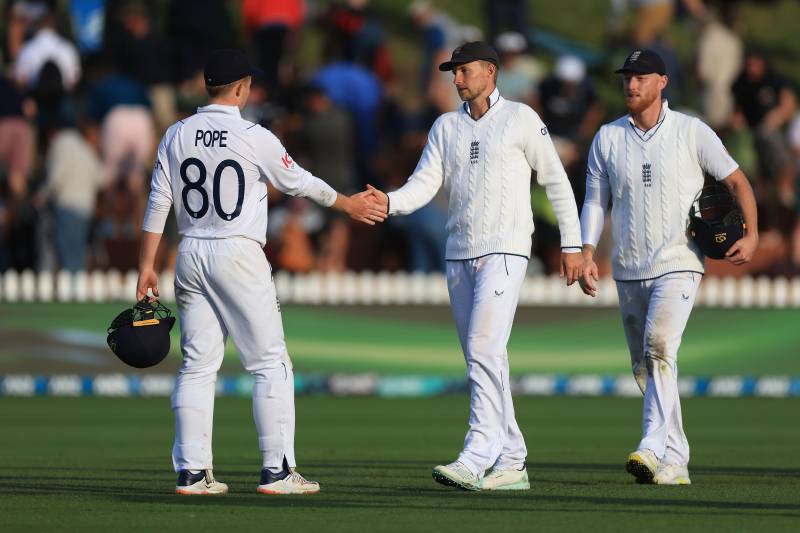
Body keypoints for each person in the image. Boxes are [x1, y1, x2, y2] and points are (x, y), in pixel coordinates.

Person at [135, 49, 386, 496]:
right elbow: (299, 181)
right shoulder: (254, 135)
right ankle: (277, 470)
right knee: (271, 363)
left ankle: (192, 473)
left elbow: (159, 201)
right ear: (242, 88)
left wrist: (146, 265)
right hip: (238, 252)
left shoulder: (176, 133)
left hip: (191, 252)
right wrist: (347, 203)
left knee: (196, 366)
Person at [366, 41, 583, 491]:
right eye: (452, 72)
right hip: (458, 253)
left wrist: (574, 245)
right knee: (485, 357)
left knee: (484, 350)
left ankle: (476, 453)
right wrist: (388, 202)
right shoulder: (445, 126)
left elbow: (557, 181)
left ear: (490, 70)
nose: (456, 79)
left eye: (464, 71)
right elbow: (423, 185)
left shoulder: (521, 117)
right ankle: (513, 460)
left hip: (506, 250)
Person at [578, 49, 758, 485]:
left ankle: (651, 446)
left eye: (641, 77)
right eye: (626, 77)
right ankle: (676, 459)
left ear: (663, 81)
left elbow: (736, 181)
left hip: (679, 261)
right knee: (646, 366)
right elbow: (595, 201)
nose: (631, 84)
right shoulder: (607, 138)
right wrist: (585, 251)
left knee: (660, 346)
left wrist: (751, 233)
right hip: (627, 267)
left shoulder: (691, 131)